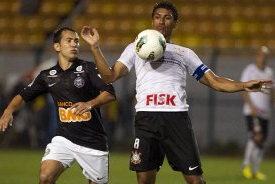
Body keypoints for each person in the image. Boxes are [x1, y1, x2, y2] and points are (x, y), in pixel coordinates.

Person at [81, 1, 273, 184]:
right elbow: (109, 76)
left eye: (167, 18)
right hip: (146, 119)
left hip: (176, 119)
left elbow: (215, 81)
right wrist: (95, 47)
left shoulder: (184, 53)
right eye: (157, 17)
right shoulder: (136, 48)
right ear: (152, 21)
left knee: (194, 179)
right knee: (144, 180)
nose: (161, 22)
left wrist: (244, 85)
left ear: (175, 23)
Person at [0, 27, 116, 184]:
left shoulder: (88, 68)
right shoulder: (47, 76)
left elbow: (110, 93)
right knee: (45, 177)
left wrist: (90, 104)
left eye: (76, 41)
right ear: (57, 46)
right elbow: (23, 95)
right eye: (69, 40)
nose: (74, 44)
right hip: (64, 139)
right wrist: (9, 110)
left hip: (92, 142)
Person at [240, 46, 274, 180]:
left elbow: (272, 91)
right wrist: (251, 106)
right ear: (257, 55)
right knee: (255, 137)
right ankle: (246, 165)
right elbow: (243, 89)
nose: (262, 57)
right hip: (252, 111)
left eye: (265, 55)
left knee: (262, 141)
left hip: (266, 112)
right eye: (260, 55)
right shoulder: (250, 70)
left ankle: (256, 170)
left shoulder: (269, 72)